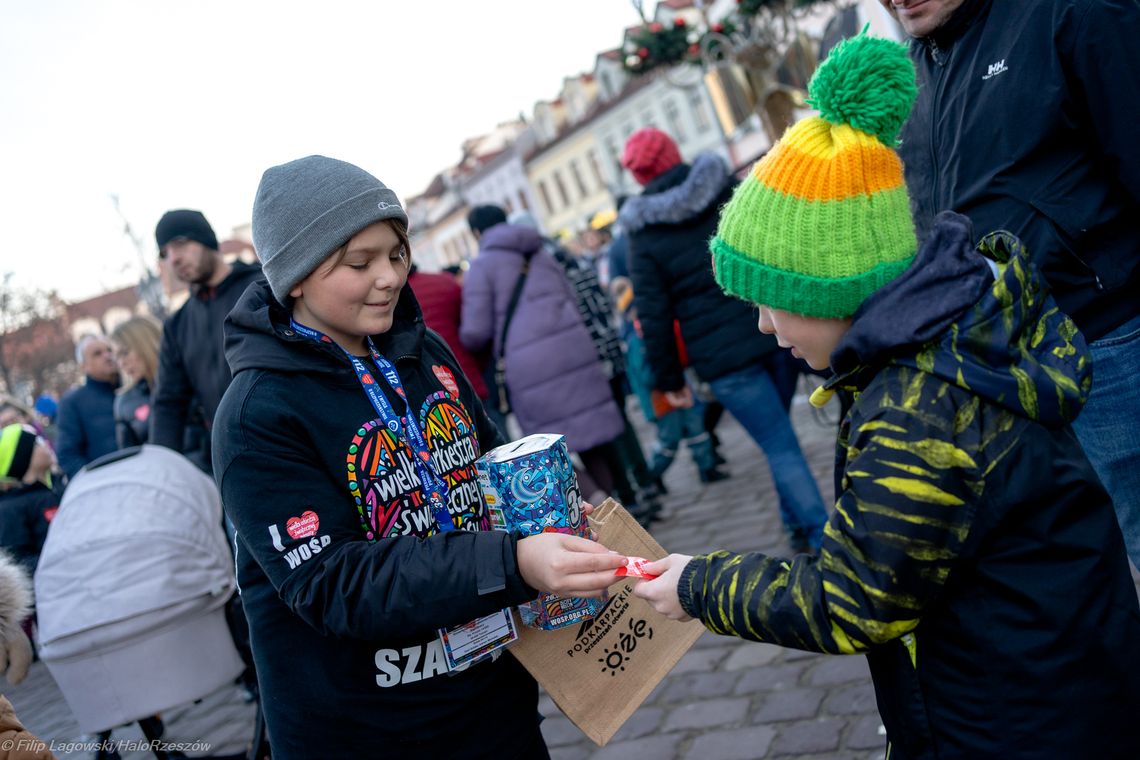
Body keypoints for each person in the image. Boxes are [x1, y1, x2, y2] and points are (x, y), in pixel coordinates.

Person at [634, 34, 1140, 758]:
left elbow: (851, 598)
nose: (763, 325)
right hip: (1054, 681)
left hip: (1021, 720)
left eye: (774, 301)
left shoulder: (918, 403)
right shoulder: (936, 353)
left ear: (835, 291)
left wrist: (697, 585)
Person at [212, 155, 625, 758]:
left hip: (490, 696)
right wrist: (513, 561)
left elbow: (489, 459)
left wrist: (556, 516)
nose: (390, 277)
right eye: (360, 262)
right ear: (296, 276)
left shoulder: (421, 349)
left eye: (397, 253)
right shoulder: (256, 416)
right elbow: (333, 584)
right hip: (367, 727)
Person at [884, 0, 1140, 567]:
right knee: (1089, 570)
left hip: (1106, 342)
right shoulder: (919, 61)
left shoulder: (1070, 12)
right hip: (1004, 370)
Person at [619, 126, 827, 553]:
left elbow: (654, 315)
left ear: (639, 177)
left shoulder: (643, 232)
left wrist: (669, 379)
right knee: (780, 437)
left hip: (721, 357)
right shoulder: (722, 188)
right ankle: (799, 527)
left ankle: (826, 543)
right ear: (675, 153)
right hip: (772, 330)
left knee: (778, 444)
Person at [460, 206, 642, 518]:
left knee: (551, 449)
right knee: (592, 438)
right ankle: (613, 508)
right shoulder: (540, 253)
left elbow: (476, 332)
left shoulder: (482, 266)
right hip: (576, 352)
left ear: (477, 233)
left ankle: (599, 511)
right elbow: (570, 299)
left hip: (531, 367)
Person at [151, 209, 262, 473]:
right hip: (232, 465)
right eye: (165, 253)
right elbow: (168, 403)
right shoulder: (177, 326)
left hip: (291, 444)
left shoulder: (261, 286)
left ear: (206, 240)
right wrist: (159, 469)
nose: (173, 259)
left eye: (180, 244)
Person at [405, 264, 494, 431]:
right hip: (469, 380)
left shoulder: (391, 303)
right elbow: (477, 334)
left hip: (433, 402)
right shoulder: (445, 282)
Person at [56, 335, 120, 478]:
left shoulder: (135, 389)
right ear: (83, 366)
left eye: (109, 350)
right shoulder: (72, 403)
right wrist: (96, 482)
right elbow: (67, 455)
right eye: (97, 354)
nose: (108, 356)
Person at [0, 423, 60, 574]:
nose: (45, 444)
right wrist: (58, 563)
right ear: (24, 457)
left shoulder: (53, 489)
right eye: (37, 442)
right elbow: (17, 560)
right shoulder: (10, 508)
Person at [109, 314, 164, 449]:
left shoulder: (188, 376)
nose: (121, 363)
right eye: (117, 357)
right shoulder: (124, 402)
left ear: (147, 344)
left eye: (125, 353)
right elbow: (130, 457)